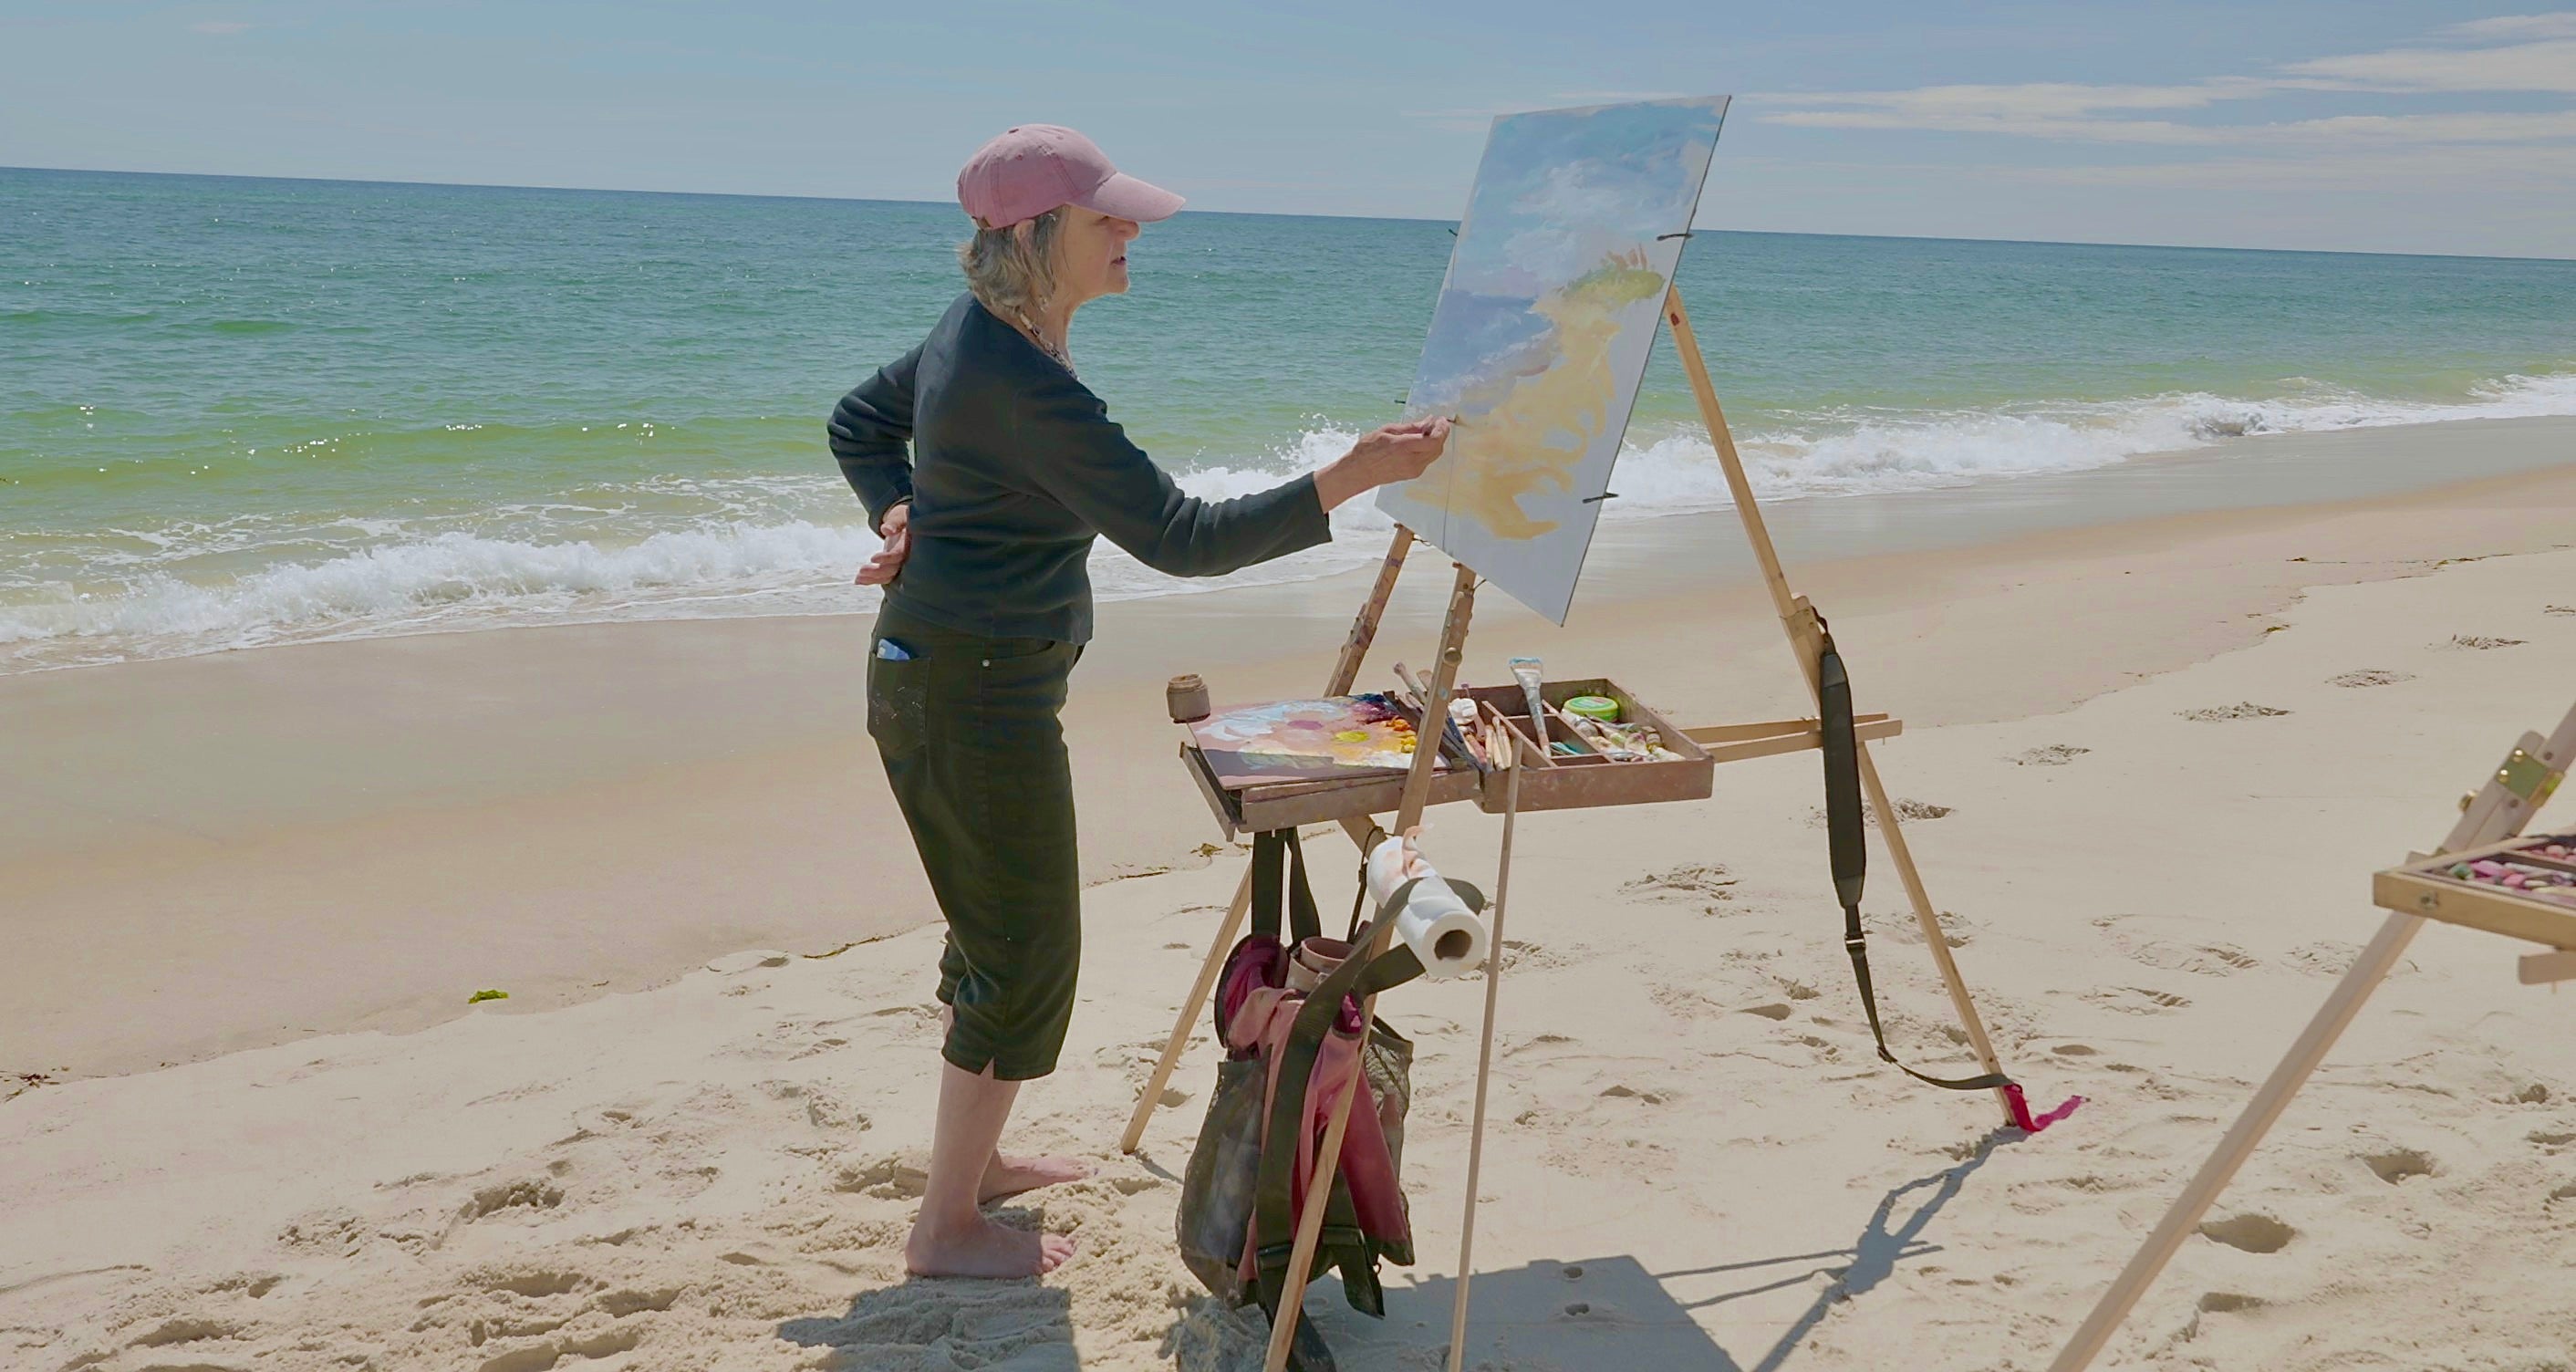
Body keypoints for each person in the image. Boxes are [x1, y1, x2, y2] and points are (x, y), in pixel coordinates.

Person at [827, 124, 1451, 1279]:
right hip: (967, 694)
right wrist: (1355, 473)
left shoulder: (987, 335)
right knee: (1023, 954)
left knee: (1001, 940)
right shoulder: (1013, 376)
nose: (1131, 231)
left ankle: (980, 1168)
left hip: (958, 680)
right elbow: (1180, 536)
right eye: (1107, 216)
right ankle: (945, 1226)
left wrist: (897, 511)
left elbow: (861, 426)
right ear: (1031, 235)